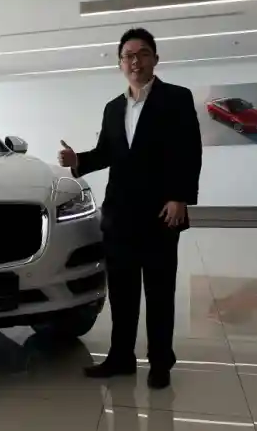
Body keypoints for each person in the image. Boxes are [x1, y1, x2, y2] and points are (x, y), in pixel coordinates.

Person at [58, 28, 202, 389]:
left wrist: (180, 197)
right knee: (122, 293)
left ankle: (160, 362)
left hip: (161, 212)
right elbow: (108, 152)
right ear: (120, 63)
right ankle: (121, 357)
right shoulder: (113, 108)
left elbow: (189, 150)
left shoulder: (176, 98)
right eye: (128, 56)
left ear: (155, 58)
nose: (135, 61)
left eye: (142, 54)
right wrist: (78, 161)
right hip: (120, 215)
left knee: (159, 292)